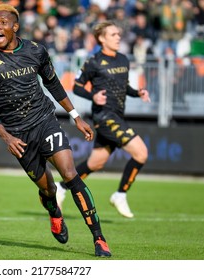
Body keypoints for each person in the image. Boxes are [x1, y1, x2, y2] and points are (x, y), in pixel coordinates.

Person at [0, 4, 111, 257]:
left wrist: (76, 116)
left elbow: (53, 84)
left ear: (15, 27)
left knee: (70, 174)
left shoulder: (36, 51)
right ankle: (54, 211)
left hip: (44, 121)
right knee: (48, 189)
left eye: (2, 22)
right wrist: (6, 137)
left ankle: (99, 239)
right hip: (18, 135)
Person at [55, 21, 151, 219]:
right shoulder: (94, 62)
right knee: (141, 153)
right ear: (102, 38)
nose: (118, 38)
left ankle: (61, 187)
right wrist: (94, 96)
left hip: (118, 115)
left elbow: (125, 87)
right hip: (105, 117)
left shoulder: (123, 59)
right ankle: (120, 194)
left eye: (118, 34)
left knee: (95, 163)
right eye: (113, 34)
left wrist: (138, 92)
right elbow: (77, 86)